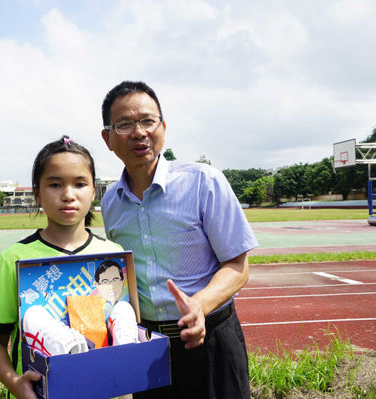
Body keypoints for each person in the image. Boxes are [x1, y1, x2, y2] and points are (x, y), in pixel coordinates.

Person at [100, 81, 259, 399]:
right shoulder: (110, 202)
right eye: (125, 124)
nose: (139, 132)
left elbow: (238, 267)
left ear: (163, 126)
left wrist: (199, 306)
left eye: (148, 121)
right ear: (107, 138)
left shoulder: (204, 182)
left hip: (211, 338)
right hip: (150, 347)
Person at [0, 136, 123, 399]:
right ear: (37, 193)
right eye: (55, 184)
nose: (68, 195)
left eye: (80, 184)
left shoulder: (114, 256)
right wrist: (15, 383)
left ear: (94, 192)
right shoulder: (14, 258)